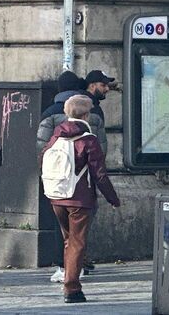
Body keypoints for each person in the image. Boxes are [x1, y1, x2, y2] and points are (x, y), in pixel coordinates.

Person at [40, 95, 121, 303]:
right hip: (79, 199)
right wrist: (113, 199)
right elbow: (99, 174)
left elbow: (43, 157)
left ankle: (68, 279)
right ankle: (72, 289)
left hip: (57, 196)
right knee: (77, 244)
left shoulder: (56, 136)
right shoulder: (88, 140)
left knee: (69, 241)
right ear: (86, 115)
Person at [37, 70, 107, 282]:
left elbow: (41, 146)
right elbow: (101, 147)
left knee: (62, 227)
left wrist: (48, 171)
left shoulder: (50, 113)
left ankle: (64, 267)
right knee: (80, 226)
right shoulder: (93, 112)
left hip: (57, 180)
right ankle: (77, 266)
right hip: (83, 181)